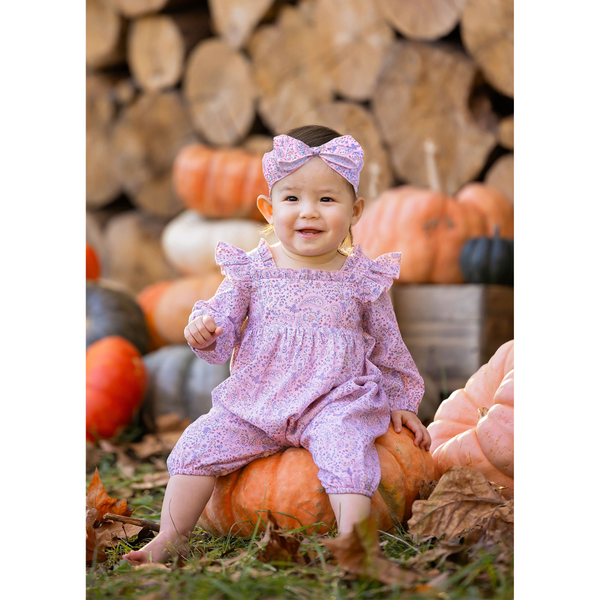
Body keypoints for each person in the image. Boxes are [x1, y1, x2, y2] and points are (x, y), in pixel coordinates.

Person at [124, 125, 431, 565]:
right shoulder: (252, 270)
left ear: (355, 211)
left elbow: (388, 344)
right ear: (269, 209)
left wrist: (401, 398)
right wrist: (206, 330)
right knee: (196, 447)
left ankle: (355, 544)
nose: (309, 212)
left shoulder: (362, 278)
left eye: (327, 199)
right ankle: (170, 537)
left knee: (348, 452)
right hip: (256, 399)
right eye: (293, 199)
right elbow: (222, 319)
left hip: (333, 399)